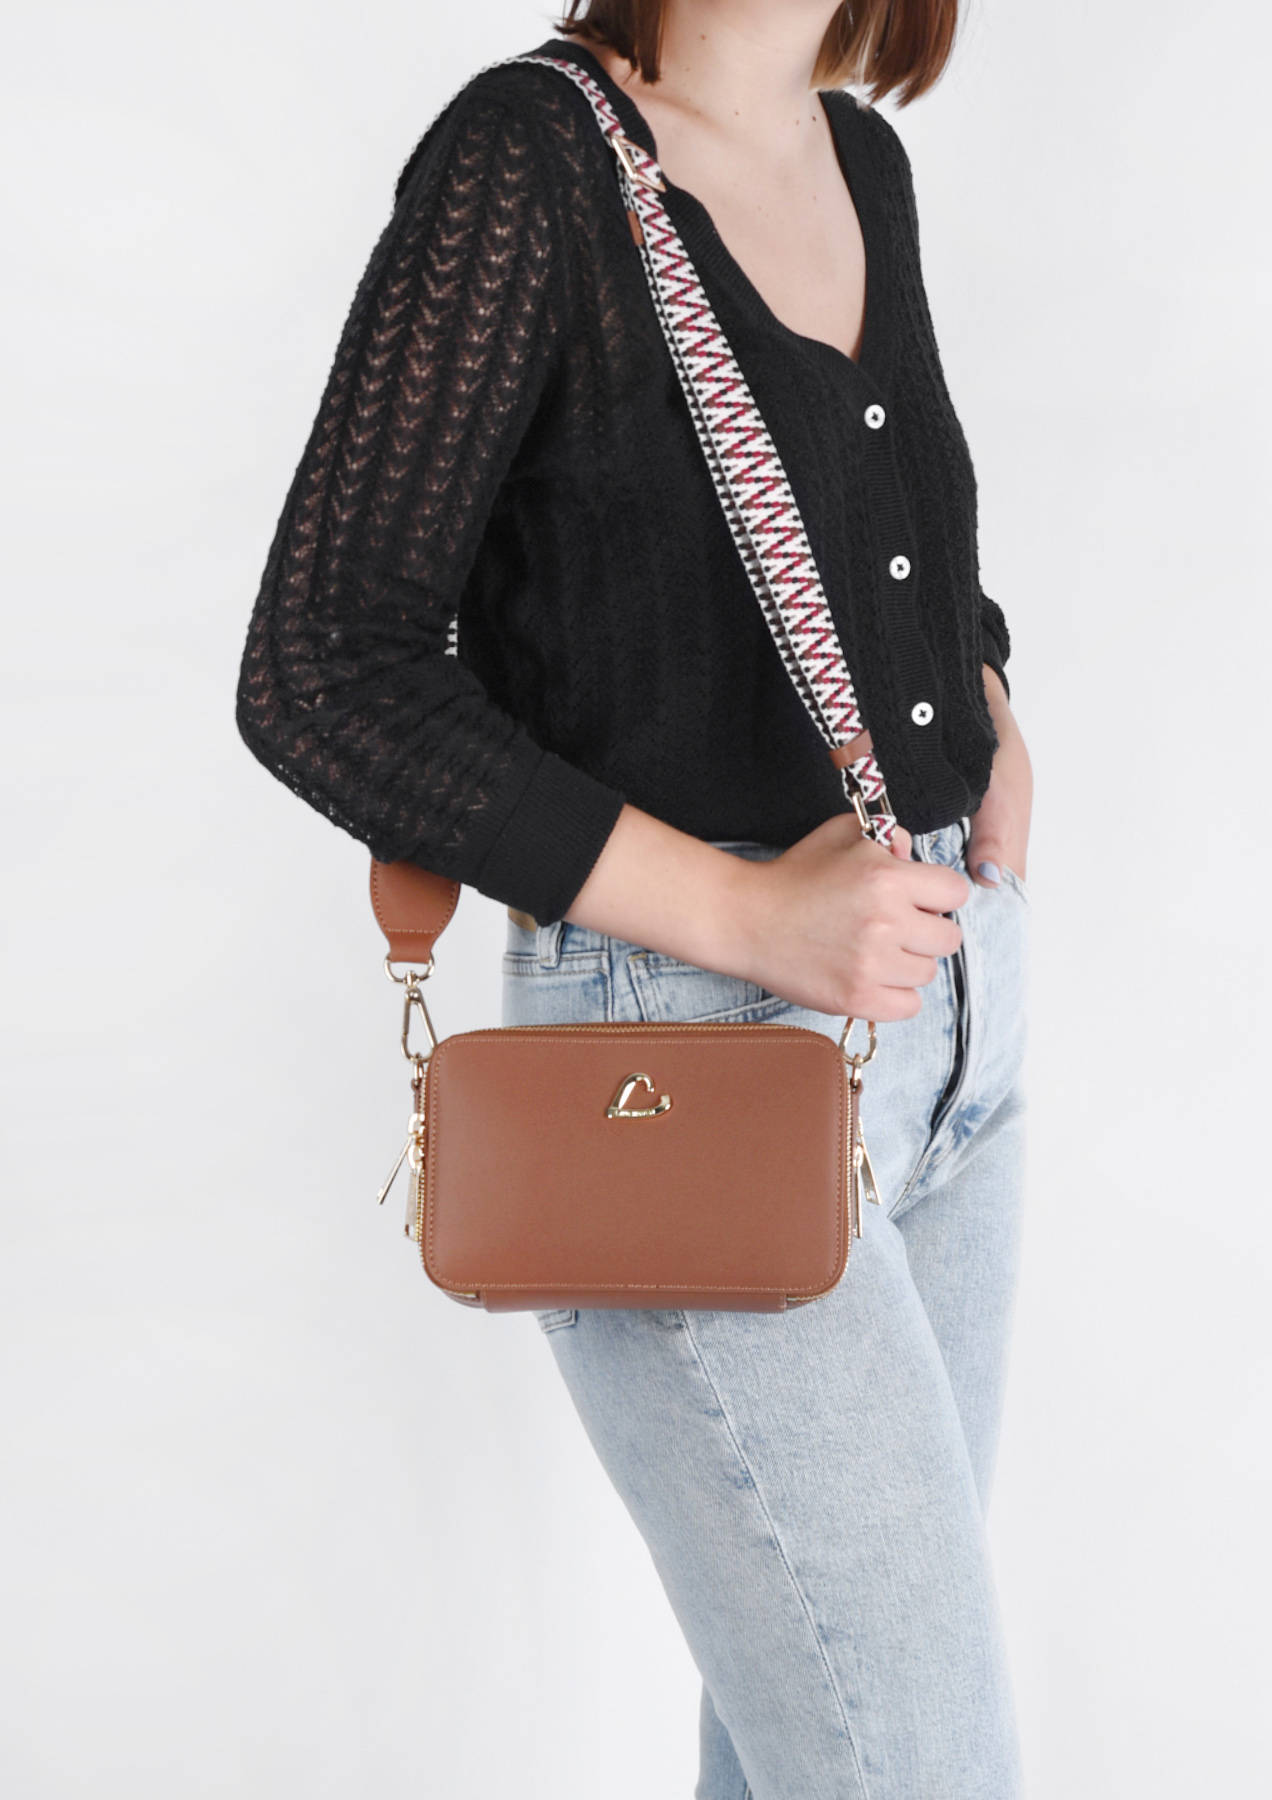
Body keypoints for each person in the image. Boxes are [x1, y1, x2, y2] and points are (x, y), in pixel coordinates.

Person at [235, 0, 1034, 1791]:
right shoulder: (527, 160)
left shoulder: (861, 159)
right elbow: (322, 667)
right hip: (686, 1054)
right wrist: (746, 921)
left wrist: (989, 708)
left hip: (952, 1040)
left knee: (811, 1747)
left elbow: (895, 543)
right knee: (917, 1762)